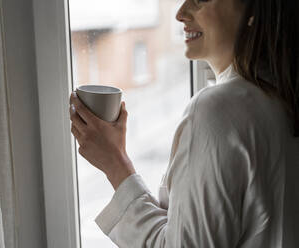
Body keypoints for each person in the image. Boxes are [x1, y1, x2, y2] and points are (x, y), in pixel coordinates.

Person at [69, 0, 299, 246]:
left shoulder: (219, 109)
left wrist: (115, 163)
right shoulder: (283, 95)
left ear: (253, 9)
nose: (180, 14)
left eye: (199, 0)